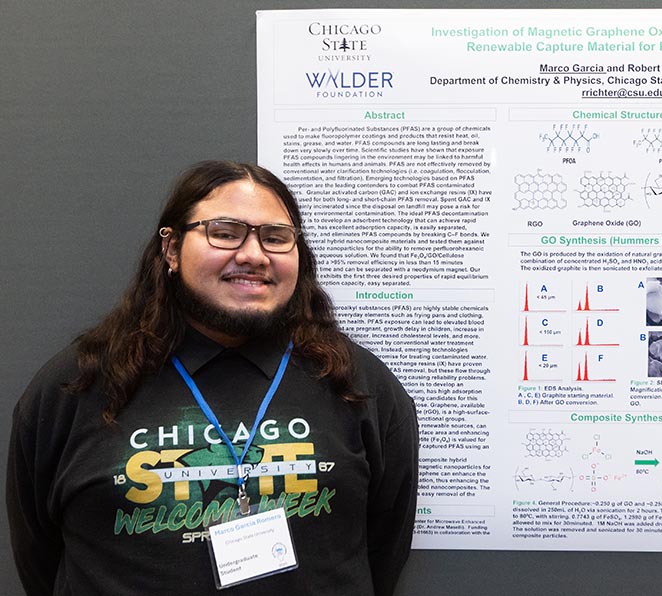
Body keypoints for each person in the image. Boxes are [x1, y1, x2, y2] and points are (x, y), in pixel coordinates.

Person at [6, 160, 418, 595]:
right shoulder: (76, 385)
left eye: (276, 237)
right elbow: (39, 555)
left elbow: (384, 548)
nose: (254, 255)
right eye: (224, 232)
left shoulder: (357, 384)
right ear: (170, 249)